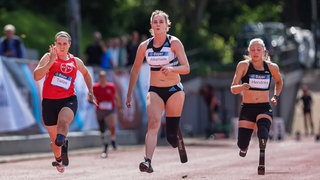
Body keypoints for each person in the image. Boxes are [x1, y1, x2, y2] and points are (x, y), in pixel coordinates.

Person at [126, 10, 190, 173]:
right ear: (151, 26)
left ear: (167, 25)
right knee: (153, 123)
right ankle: (147, 161)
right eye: (155, 22)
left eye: (161, 22)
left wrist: (172, 68)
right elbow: (135, 70)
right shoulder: (144, 46)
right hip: (154, 90)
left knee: (171, 139)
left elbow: (186, 68)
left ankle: (176, 135)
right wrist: (129, 93)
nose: (158, 25)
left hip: (174, 90)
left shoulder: (174, 43)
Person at [33, 31, 96, 173]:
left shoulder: (75, 61)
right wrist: (51, 61)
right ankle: (59, 158)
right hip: (49, 102)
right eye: (59, 43)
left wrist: (90, 91)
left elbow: (86, 73)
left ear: (69, 45)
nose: (61, 46)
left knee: (63, 122)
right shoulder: (48, 57)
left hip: (68, 100)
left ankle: (62, 139)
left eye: (64, 44)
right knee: (55, 141)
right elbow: (37, 76)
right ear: (55, 44)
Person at [230, 38, 283, 174]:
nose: (255, 52)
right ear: (249, 51)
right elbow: (233, 88)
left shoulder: (272, 67)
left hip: (264, 107)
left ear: (264, 51)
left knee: (263, 132)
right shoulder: (243, 66)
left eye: (258, 50)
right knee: (242, 144)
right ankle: (244, 147)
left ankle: (262, 157)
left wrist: (275, 96)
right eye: (252, 50)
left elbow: (279, 82)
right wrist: (241, 86)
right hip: (248, 108)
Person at [92, 70, 122, 158]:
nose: (102, 79)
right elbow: (90, 96)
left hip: (110, 109)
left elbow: (116, 97)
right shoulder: (95, 87)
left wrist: (119, 107)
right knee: (102, 129)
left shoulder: (111, 86)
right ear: (99, 78)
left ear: (106, 78)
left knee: (112, 124)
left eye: (104, 77)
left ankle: (113, 139)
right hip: (100, 110)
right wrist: (91, 100)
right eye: (100, 77)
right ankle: (104, 143)